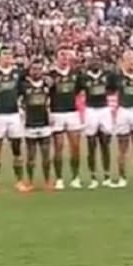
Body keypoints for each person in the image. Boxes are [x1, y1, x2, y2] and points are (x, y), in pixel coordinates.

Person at [0, 48, 27, 194]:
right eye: (4, 55)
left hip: (14, 114)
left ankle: (19, 181)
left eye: (9, 55)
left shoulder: (18, 74)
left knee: (17, 150)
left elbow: (23, 92)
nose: (7, 57)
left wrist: (23, 109)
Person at [111, 49, 133, 188]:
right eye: (129, 59)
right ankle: (122, 177)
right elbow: (110, 89)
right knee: (122, 147)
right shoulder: (118, 77)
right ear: (123, 62)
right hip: (123, 111)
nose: (132, 62)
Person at [48, 49, 83, 190]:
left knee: (75, 147)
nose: (64, 59)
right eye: (61, 56)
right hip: (56, 113)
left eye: (66, 56)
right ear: (56, 58)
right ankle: (59, 178)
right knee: (58, 147)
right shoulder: (51, 76)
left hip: (72, 113)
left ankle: (75, 177)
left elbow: (79, 91)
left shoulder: (75, 74)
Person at [81, 56, 114, 189]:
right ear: (88, 65)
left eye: (97, 62)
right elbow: (77, 89)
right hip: (90, 110)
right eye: (92, 62)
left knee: (105, 142)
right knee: (91, 144)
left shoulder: (107, 75)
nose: (95, 64)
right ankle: (93, 176)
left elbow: (113, 88)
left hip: (104, 109)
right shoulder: (83, 77)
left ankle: (107, 175)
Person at [20, 60, 54, 190]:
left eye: (39, 69)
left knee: (46, 156)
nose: (36, 71)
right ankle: (29, 181)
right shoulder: (24, 85)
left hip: (44, 123)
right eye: (34, 69)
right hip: (30, 124)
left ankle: (47, 181)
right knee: (30, 157)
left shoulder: (47, 84)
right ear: (30, 70)